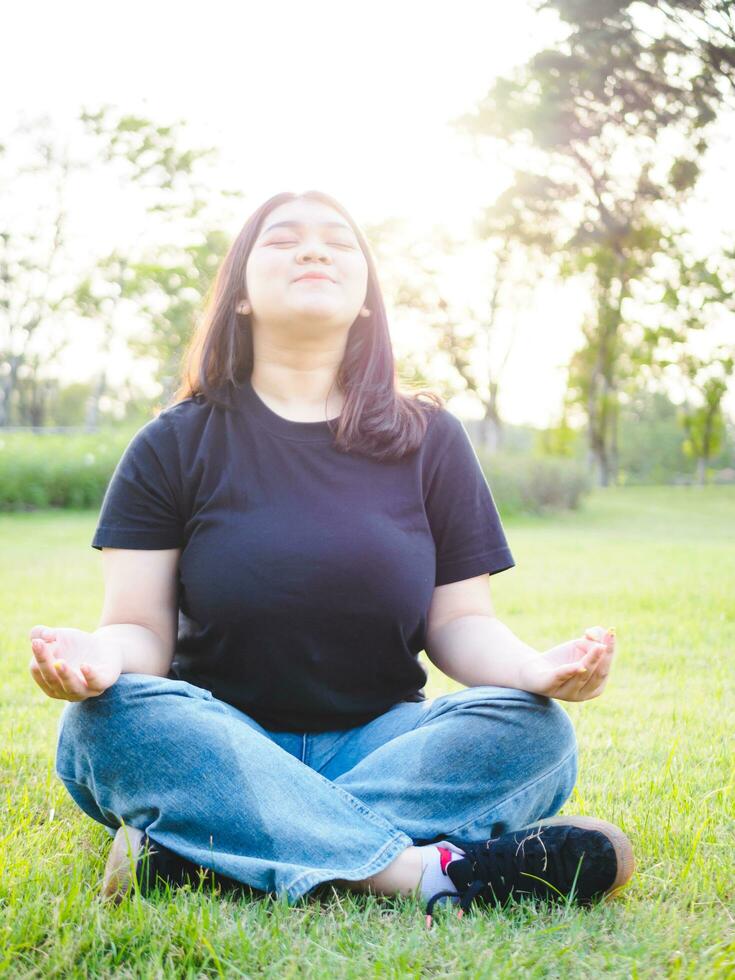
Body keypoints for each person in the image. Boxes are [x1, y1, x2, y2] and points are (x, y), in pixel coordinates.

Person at [29, 190, 634, 928]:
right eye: (283, 240)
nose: (313, 250)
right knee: (106, 721)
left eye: (337, 243)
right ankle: (422, 874)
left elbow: (460, 621)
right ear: (241, 296)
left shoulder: (429, 439)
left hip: (382, 740)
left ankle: (199, 854)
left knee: (535, 732)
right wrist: (98, 657)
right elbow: (138, 633)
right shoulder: (173, 442)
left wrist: (529, 670)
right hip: (216, 739)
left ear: (367, 302)